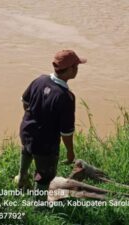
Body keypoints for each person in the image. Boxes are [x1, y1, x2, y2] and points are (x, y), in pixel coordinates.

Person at [17, 50, 86, 198]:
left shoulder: (39, 80)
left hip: (27, 132)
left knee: (27, 152)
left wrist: (36, 118)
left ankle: (21, 180)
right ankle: (39, 203)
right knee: (44, 174)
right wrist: (70, 152)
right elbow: (66, 132)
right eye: (76, 67)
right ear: (71, 69)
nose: (77, 70)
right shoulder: (65, 97)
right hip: (45, 144)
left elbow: (25, 102)